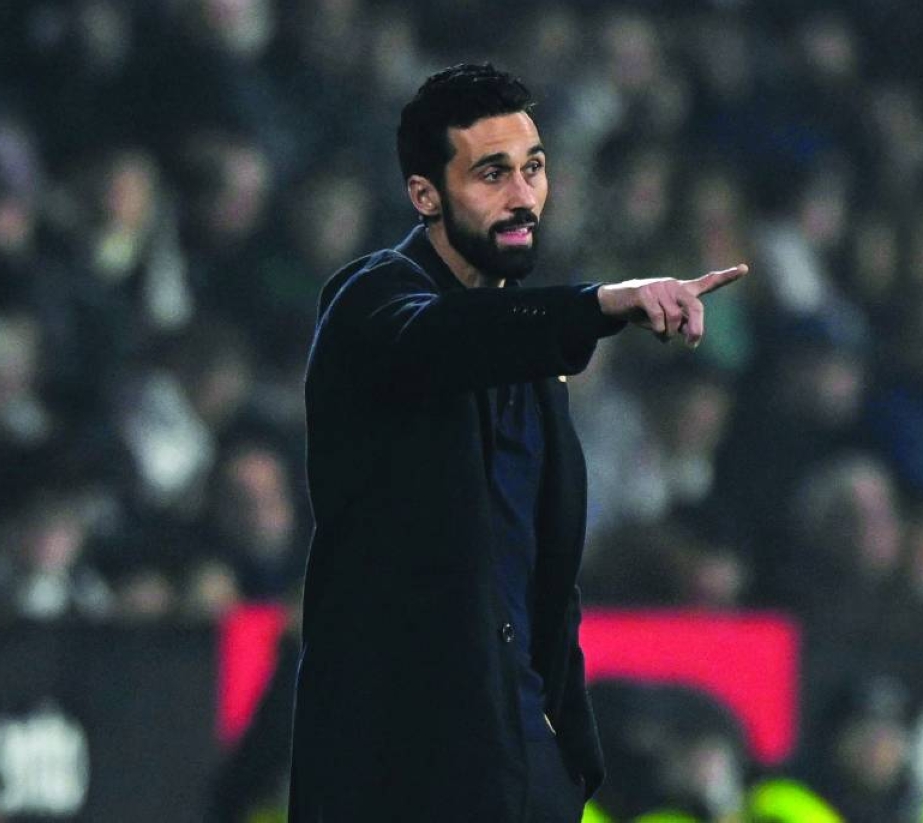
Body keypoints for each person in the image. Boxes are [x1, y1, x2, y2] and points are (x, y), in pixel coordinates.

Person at [287, 63, 747, 822]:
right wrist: (601, 305)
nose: (522, 195)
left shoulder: (536, 368)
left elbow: (540, 578)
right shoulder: (371, 302)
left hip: (519, 758)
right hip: (397, 765)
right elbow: (442, 339)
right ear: (425, 194)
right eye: (491, 174)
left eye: (533, 169)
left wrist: (567, 755)